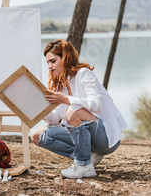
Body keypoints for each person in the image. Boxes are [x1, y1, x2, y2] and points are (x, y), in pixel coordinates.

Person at [30, 39, 127, 179]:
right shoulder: (60, 86)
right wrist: (38, 108)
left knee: (73, 110)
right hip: (86, 137)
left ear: (66, 58)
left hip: (105, 137)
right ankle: (88, 158)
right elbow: (55, 119)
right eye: (48, 63)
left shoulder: (84, 74)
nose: (49, 66)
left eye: (53, 61)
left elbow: (97, 104)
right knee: (37, 134)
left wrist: (67, 100)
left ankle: (83, 166)